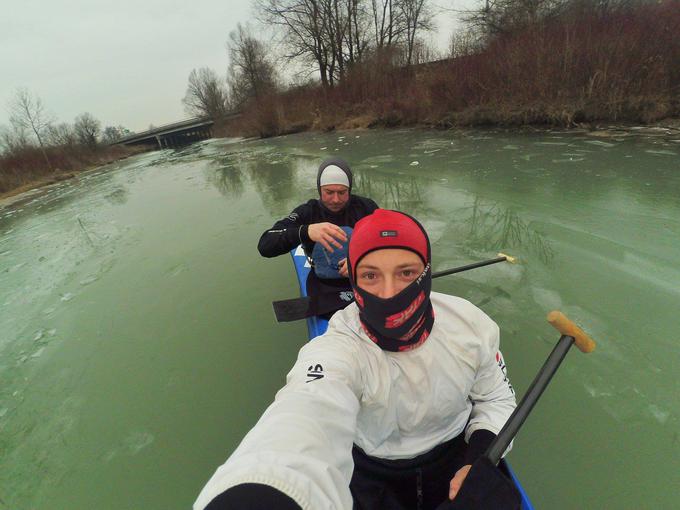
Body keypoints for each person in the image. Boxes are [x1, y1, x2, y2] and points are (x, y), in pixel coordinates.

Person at [196, 210, 517, 510]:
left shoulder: (470, 325)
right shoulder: (339, 347)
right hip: (373, 474)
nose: (389, 293)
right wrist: (266, 489)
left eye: (406, 272)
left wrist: (480, 458)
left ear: (427, 272)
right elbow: (306, 413)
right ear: (354, 282)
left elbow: (494, 397)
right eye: (370, 275)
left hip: (455, 458)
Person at [257, 158, 378, 299]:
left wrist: (362, 260)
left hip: (365, 277)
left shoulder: (366, 207)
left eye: (342, 192)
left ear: (349, 189)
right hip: (323, 282)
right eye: (329, 192)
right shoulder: (307, 212)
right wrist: (305, 231)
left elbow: (390, 240)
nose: (336, 199)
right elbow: (265, 244)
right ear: (319, 190)